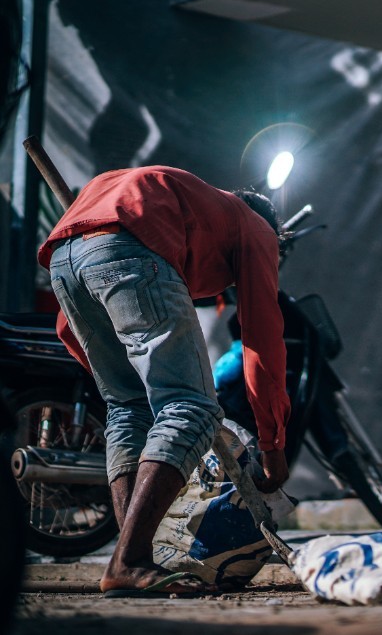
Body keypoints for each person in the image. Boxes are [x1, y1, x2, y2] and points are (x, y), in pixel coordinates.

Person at [37, 166, 291, 596]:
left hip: (64, 256)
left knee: (128, 406)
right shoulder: (255, 225)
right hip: (129, 244)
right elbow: (262, 338)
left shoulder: (197, 204)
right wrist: (273, 444)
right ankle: (131, 559)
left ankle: (132, 556)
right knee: (192, 406)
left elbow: (68, 327)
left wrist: (115, 372)